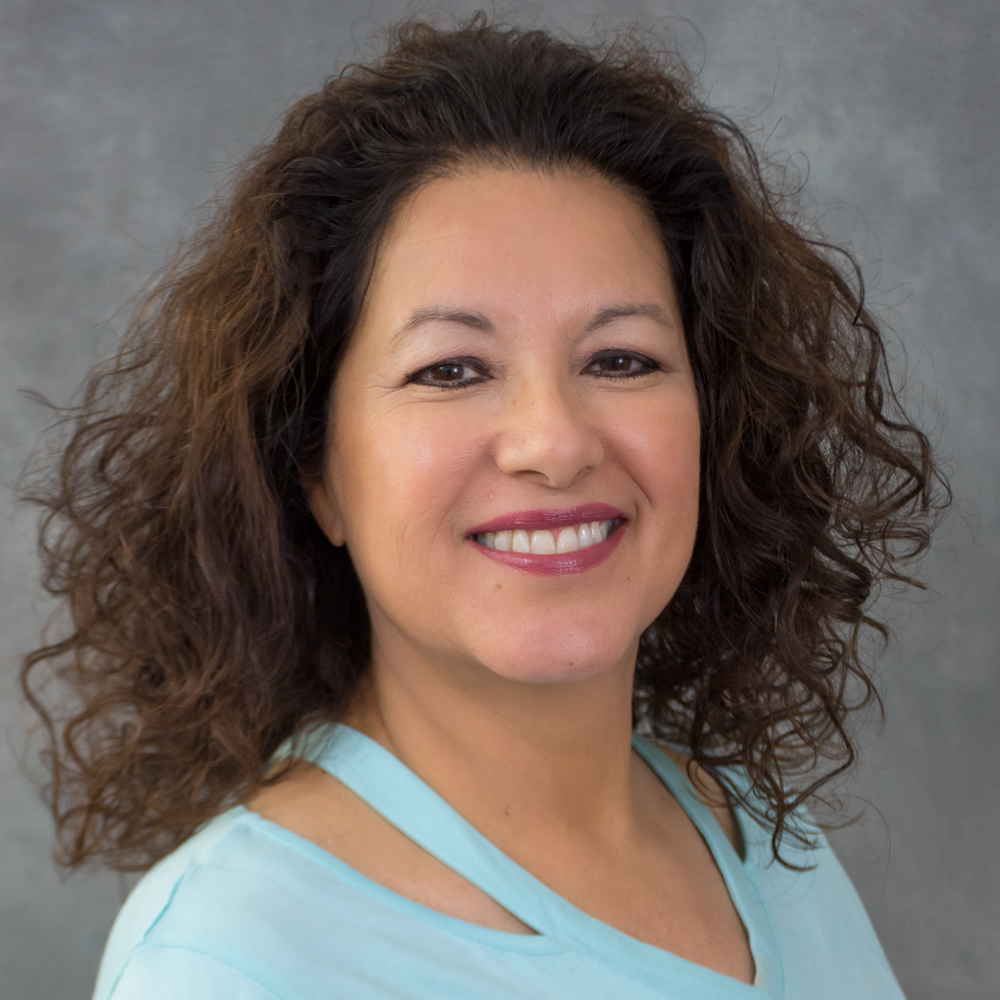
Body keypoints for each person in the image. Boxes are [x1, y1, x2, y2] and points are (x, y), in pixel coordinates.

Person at [21, 14, 945, 1000]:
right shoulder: (233, 961)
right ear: (312, 471)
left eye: (621, 358)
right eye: (451, 368)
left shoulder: (764, 838)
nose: (553, 441)